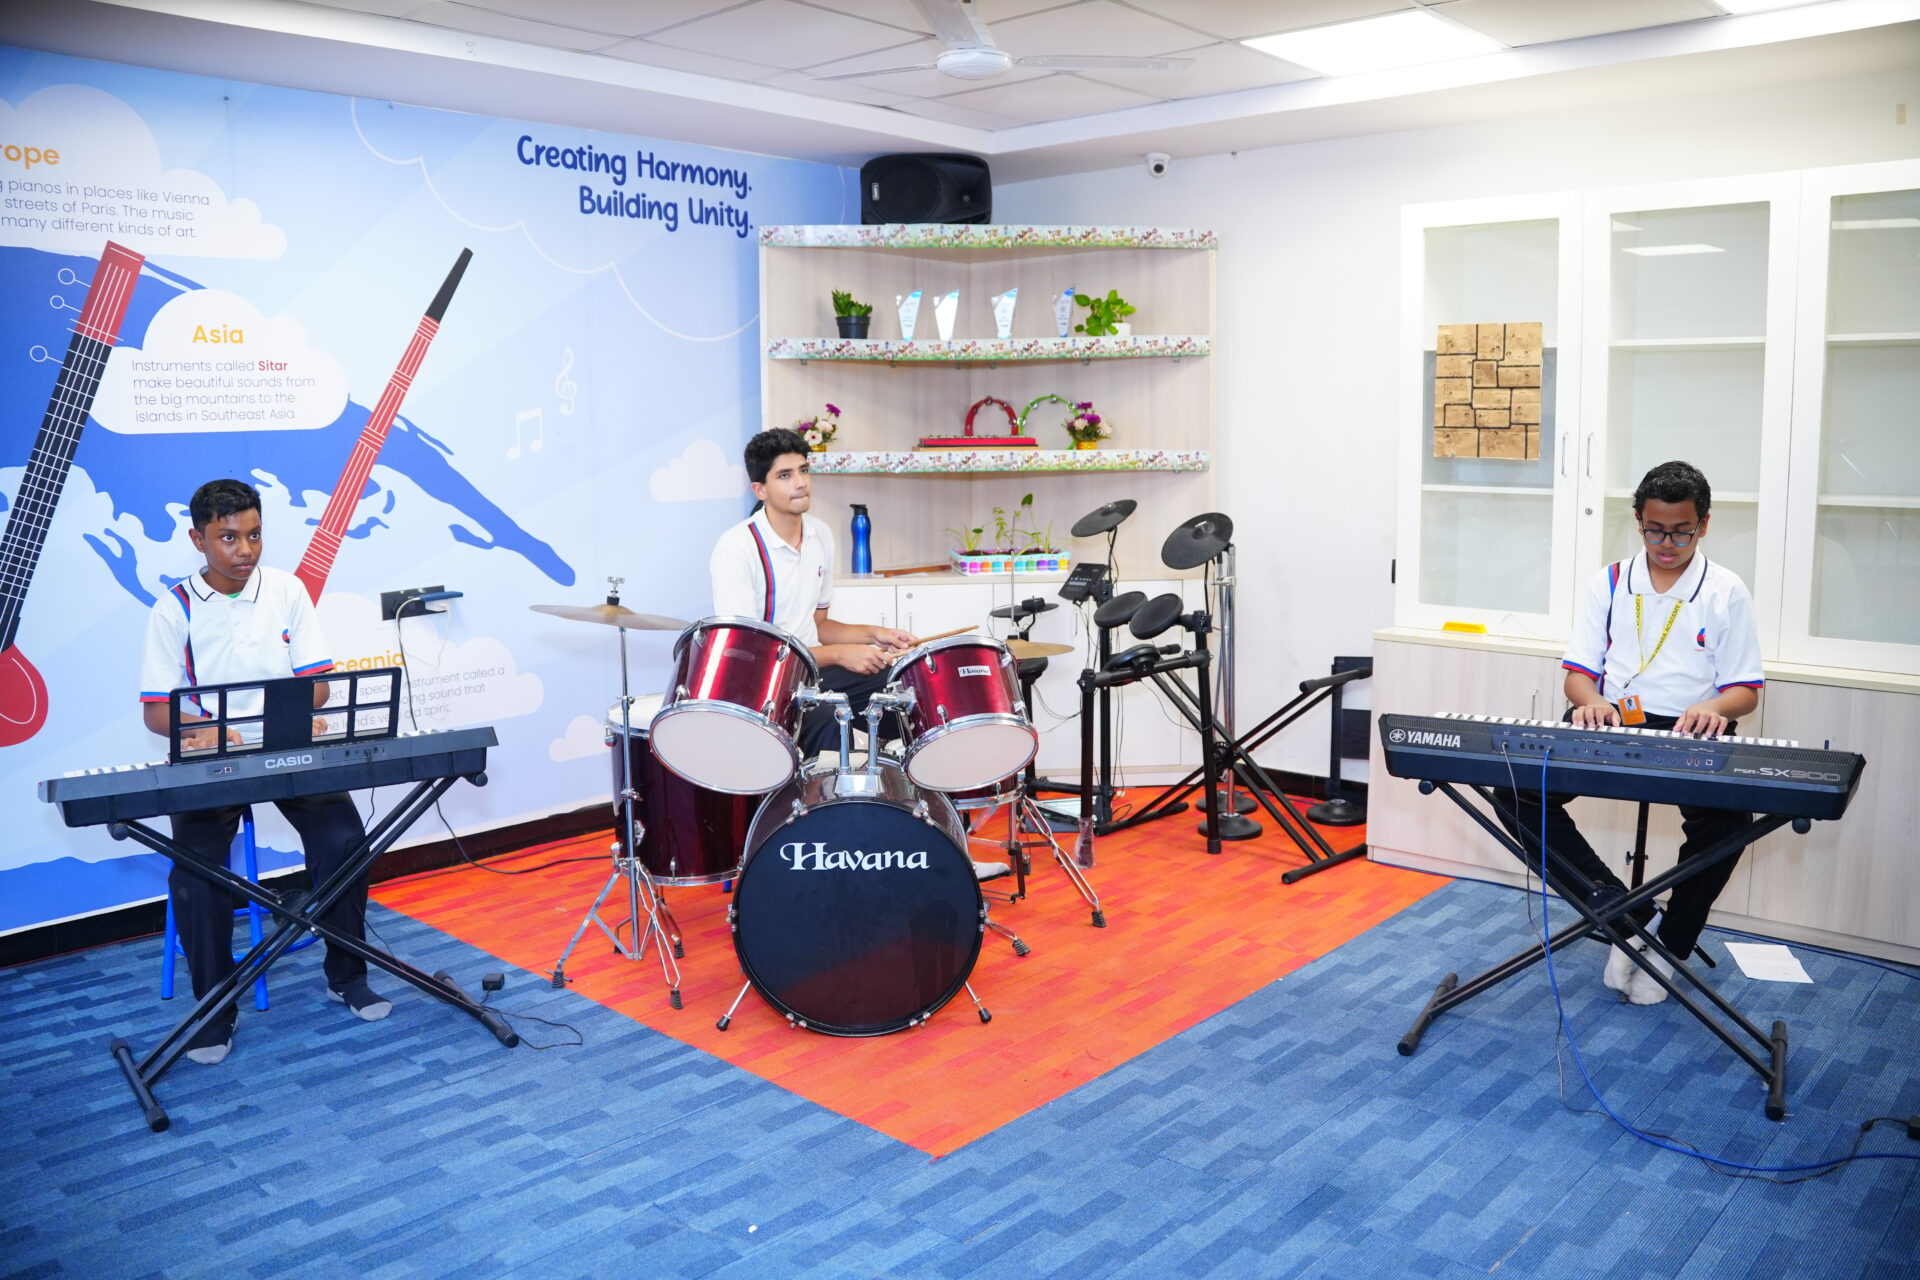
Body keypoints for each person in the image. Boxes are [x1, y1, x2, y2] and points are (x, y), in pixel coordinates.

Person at [138, 479, 389, 1065]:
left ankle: (346, 976)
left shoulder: (287, 589)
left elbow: (319, 683)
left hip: (285, 748)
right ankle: (215, 1009)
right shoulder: (173, 607)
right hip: (211, 757)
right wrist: (206, 733)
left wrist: (308, 708)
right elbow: (156, 713)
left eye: (253, 535)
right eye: (228, 538)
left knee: (345, 842)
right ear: (198, 539)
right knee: (198, 873)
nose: (244, 549)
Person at [1515, 460, 1764, 1006]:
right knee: (1519, 795)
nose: (1667, 543)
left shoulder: (1726, 590)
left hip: (1693, 725)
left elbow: (1745, 689)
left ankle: (1669, 948)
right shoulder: (1608, 581)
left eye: (1681, 531)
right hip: (1612, 718)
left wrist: (1714, 707)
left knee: (1729, 825)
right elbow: (1577, 677)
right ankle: (1631, 920)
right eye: (1655, 530)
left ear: (1704, 524)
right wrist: (1592, 700)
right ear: (1637, 520)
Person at [709, 429, 916, 757]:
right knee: (829, 722)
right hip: (767, 685)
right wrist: (840, 653)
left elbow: (820, 625)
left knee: (904, 688)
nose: (801, 483)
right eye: (785, 475)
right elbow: (751, 655)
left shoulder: (821, 534)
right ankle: (827, 804)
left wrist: (877, 634)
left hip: (812, 672)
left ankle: (899, 789)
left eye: (804, 471)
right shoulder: (736, 548)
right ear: (760, 489)